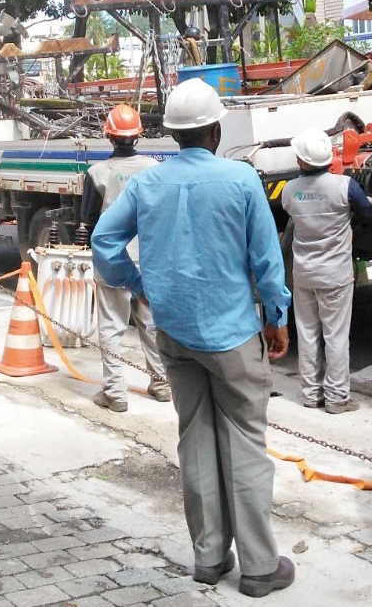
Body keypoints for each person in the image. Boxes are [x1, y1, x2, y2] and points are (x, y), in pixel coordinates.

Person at [91, 78, 295, 599]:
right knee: (245, 444)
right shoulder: (241, 180)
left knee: (196, 439)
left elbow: (104, 240)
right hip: (231, 335)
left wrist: (140, 284)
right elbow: (267, 262)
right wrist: (276, 316)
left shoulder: (146, 184)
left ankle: (208, 558)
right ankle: (258, 567)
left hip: (174, 334)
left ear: (173, 134)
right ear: (216, 128)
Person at [80, 104, 171, 413]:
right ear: (138, 135)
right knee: (151, 324)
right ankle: (161, 384)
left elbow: (89, 221)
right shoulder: (154, 169)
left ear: (109, 135)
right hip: (148, 259)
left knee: (111, 326)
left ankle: (115, 392)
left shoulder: (96, 173)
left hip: (112, 260)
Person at [281, 127, 372, 415]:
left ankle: (311, 394)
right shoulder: (344, 186)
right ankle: (337, 398)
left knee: (308, 333)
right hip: (335, 275)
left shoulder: (289, 190)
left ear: (301, 161)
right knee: (335, 336)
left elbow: (293, 214)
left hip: (304, 274)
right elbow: (370, 215)